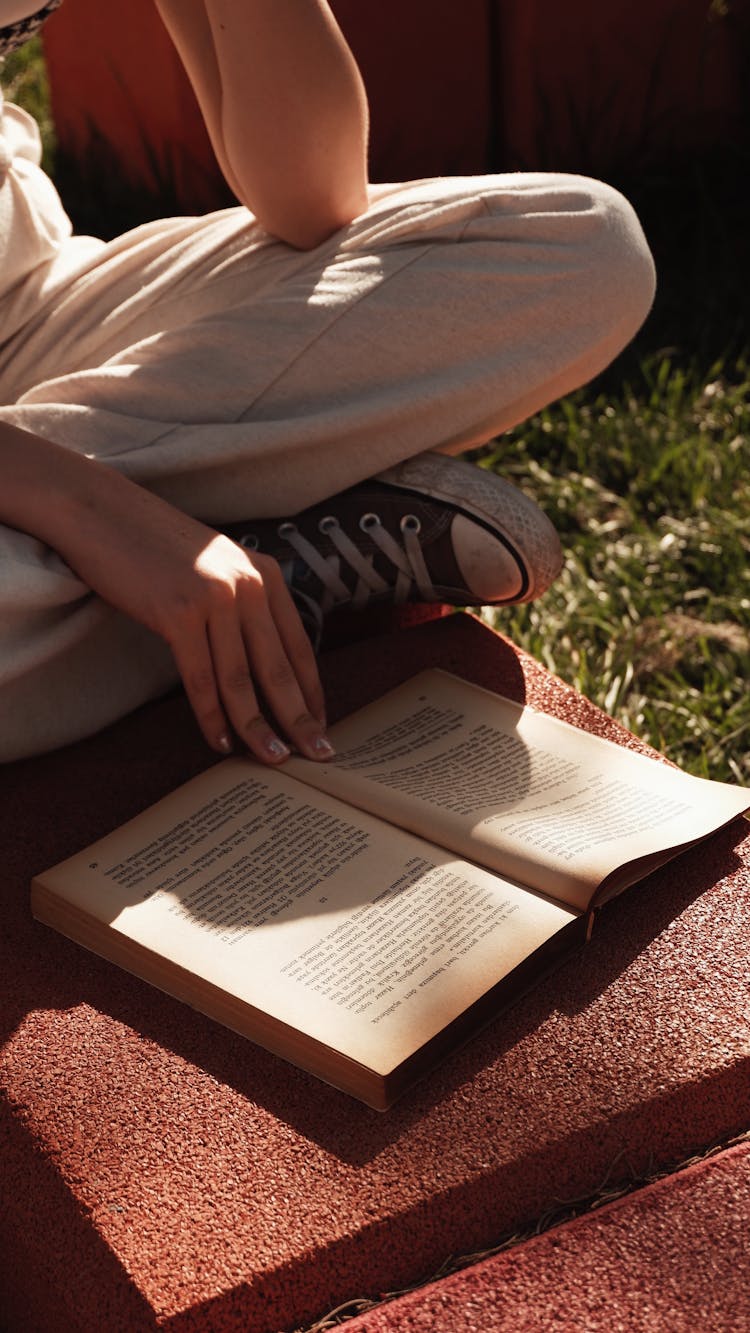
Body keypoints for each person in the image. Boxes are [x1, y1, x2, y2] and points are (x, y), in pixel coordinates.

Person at [0, 0, 656, 765]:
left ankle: (166, 585)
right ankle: (256, 569)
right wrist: (91, 507)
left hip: (22, 303)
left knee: (583, 255)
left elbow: (312, 197)